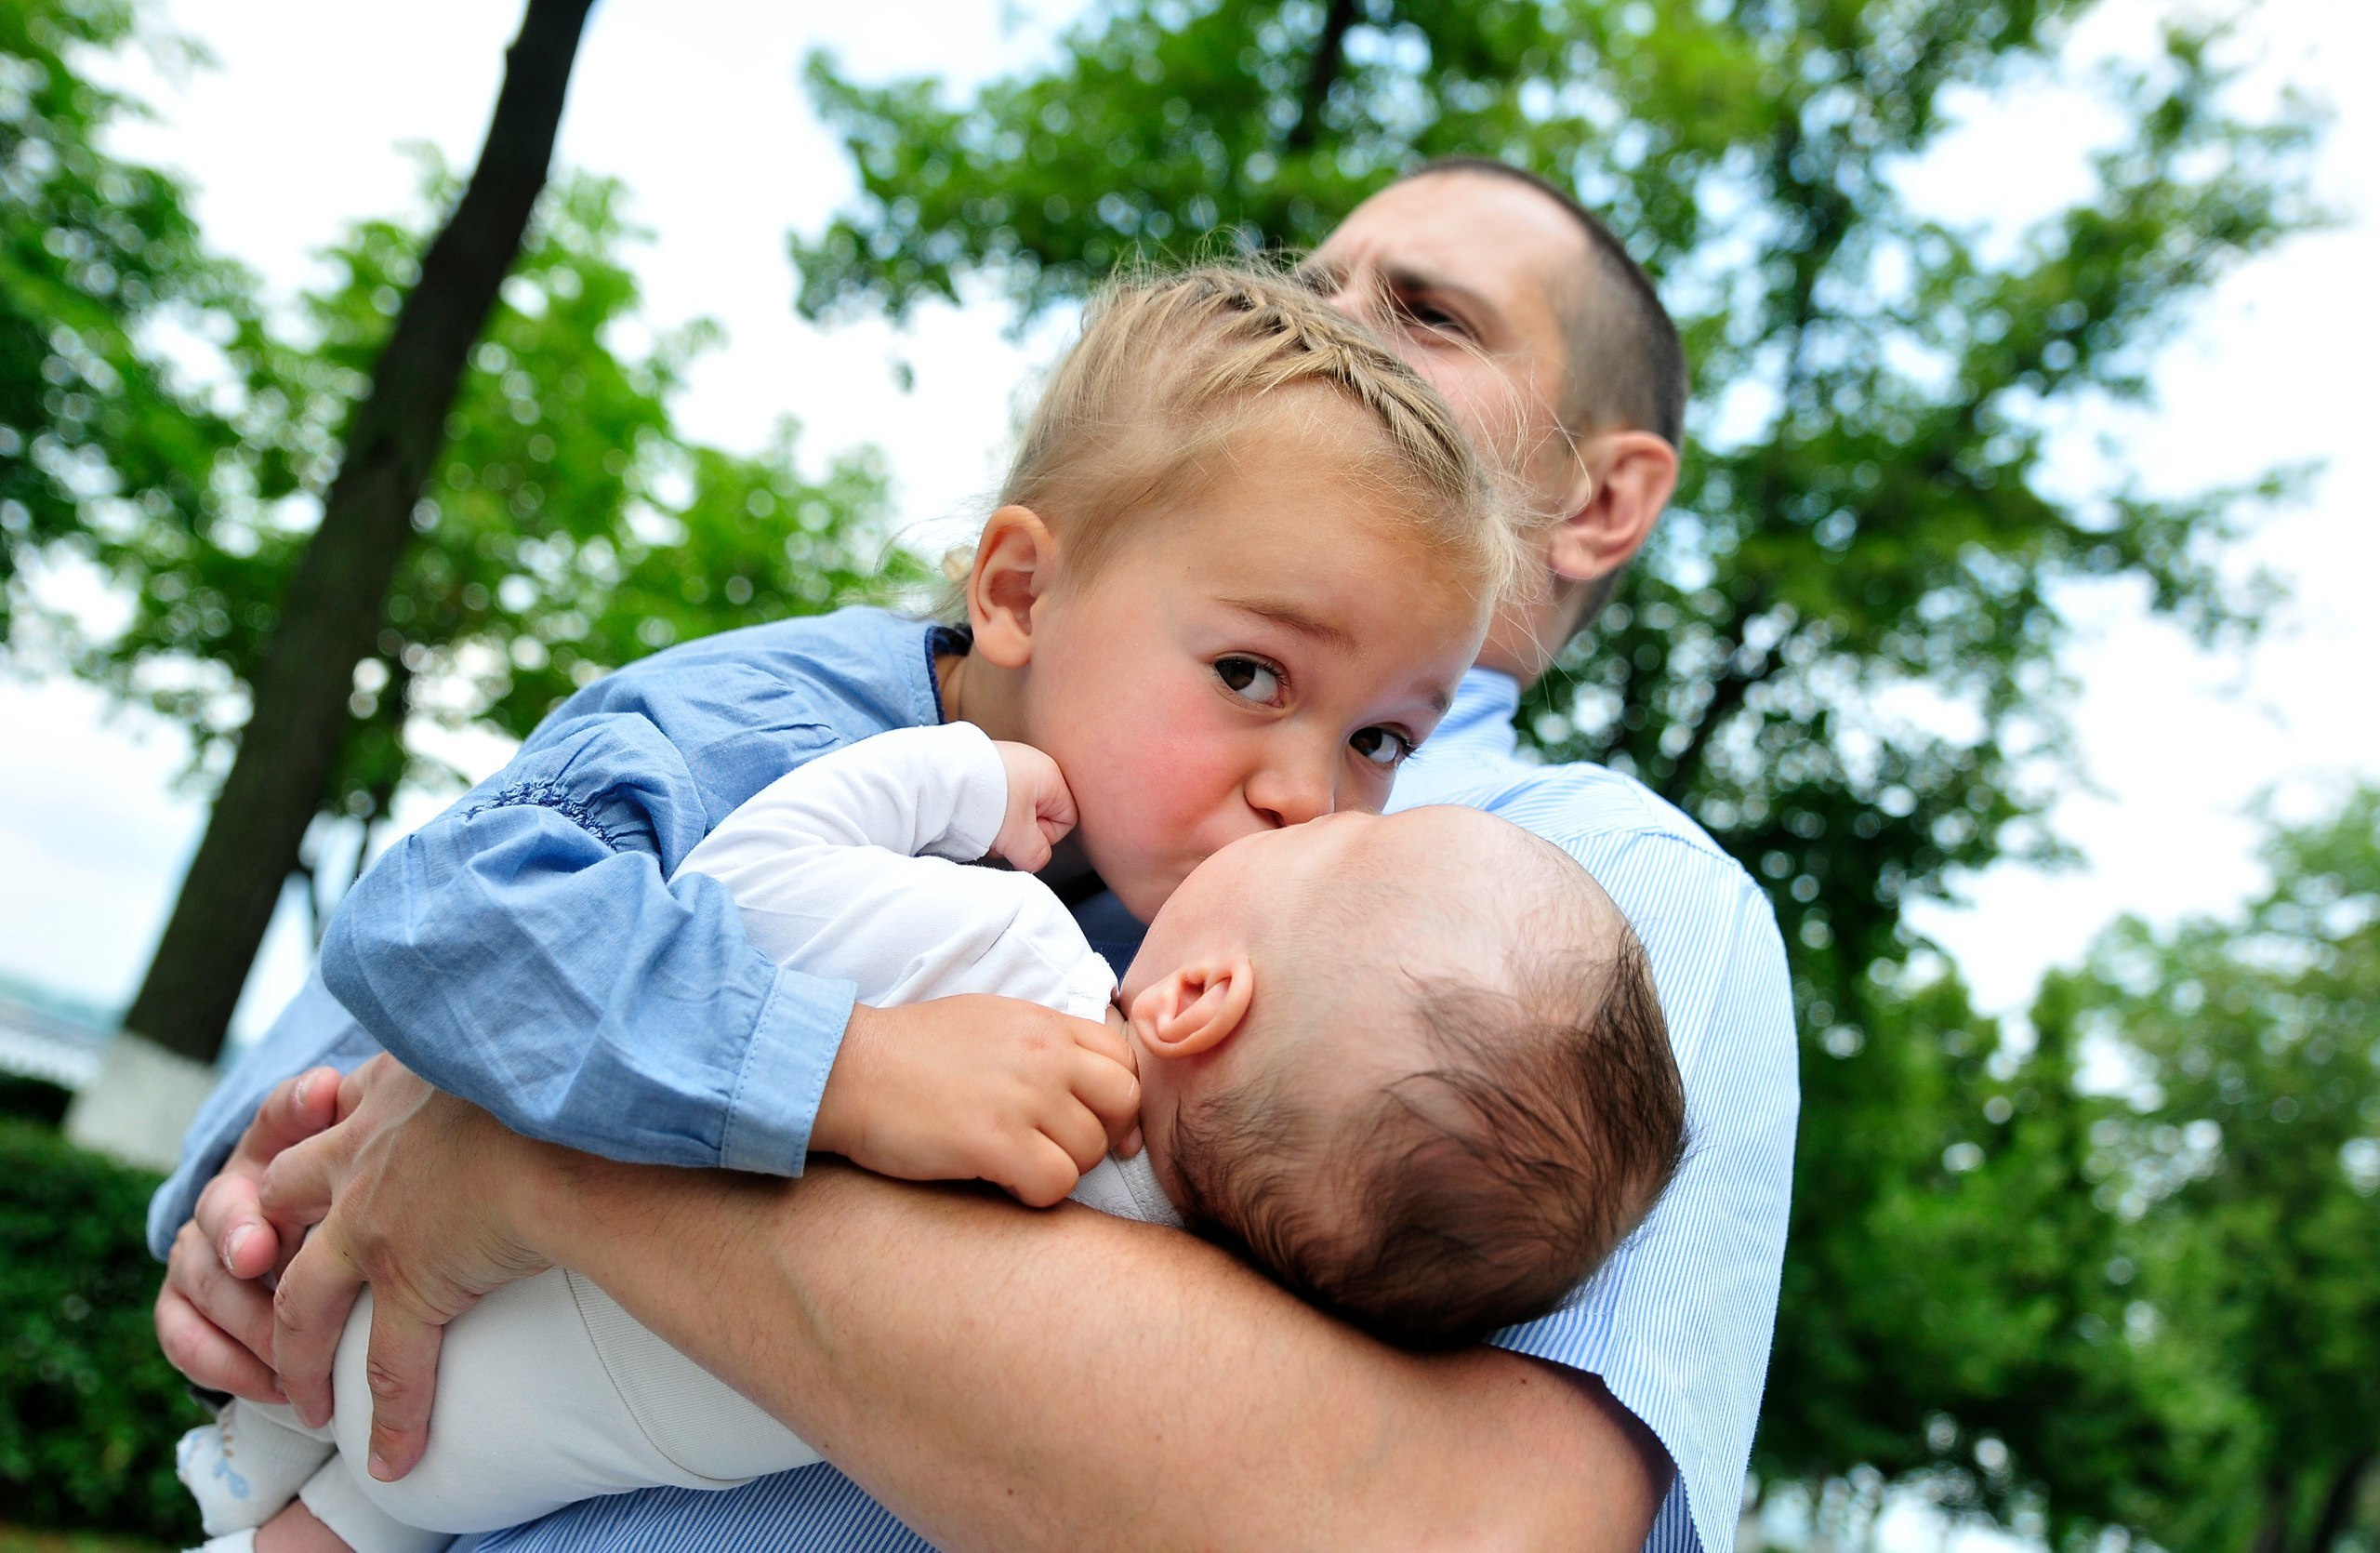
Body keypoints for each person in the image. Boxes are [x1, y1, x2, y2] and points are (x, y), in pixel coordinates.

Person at [156, 162, 1796, 1553]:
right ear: (1024, 593)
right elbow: (364, 1033)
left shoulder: (1588, 907)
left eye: (1426, 315)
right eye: (1307, 283)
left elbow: (1464, 1527)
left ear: (1601, 496)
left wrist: (555, 1170)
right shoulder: (860, 710)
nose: (1328, 327)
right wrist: (253, 1212)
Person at [184, 713, 1681, 1553]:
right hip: (437, 1480)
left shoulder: (1018, 977)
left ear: (1204, 993)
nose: (1303, 814)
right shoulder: (1155, 1313)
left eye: (1339, 844)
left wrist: (961, 774)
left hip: (397, 1312)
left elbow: (733, 886)